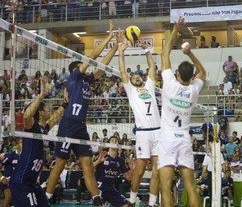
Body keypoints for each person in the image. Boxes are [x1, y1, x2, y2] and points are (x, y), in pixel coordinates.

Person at [46, 21, 117, 206]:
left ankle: (96, 200)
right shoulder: (74, 77)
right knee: (60, 164)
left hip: (81, 127)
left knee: (88, 166)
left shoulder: (87, 81)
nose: (85, 67)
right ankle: (46, 197)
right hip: (68, 124)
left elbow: (101, 66)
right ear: (76, 69)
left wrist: (116, 46)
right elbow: (93, 57)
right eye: (82, 65)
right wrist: (108, 37)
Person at [158, 17, 206, 207]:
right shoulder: (194, 90)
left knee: (166, 187)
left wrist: (175, 30)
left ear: (177, 74)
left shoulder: (169, 84)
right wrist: (190, 53)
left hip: (167, 138)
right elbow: (203, 72)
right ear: (191, 77)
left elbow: (164, 54)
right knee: (190, 187)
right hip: (184, 138)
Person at [9, 76, 66, 207]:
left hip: (33, 183)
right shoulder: (31, 128)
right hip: (22, 182)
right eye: (46, 109)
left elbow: (54, 118)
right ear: (40, 113)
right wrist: (42, 94)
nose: (49, 112)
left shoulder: (43, 130)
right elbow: (26, 116)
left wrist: (65, 103)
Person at [118, 40, 161, 207]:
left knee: (157, 171)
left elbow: (152, 68)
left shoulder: (149, 86)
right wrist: (121, 52)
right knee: (140, 171)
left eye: (137, 76)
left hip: (158, 131)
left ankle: (151, 203)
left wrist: (146, 50)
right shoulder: (131, 90)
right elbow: (122, 71)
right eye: (133, 77)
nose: (135, 77)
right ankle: (132, 200)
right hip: (143, 133)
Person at [93, 136, 135, 207]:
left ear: (119, 145)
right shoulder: (103, 155)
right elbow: (89, 168)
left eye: (116, 140)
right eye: (112, 140)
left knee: (126, 205)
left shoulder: (120, 160)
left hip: (111, 189)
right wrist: (98, 161)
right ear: (108, 144)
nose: (114, 141)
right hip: (99, 189)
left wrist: (132, 169)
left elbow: (129, 178)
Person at [0, 138, 22, 207]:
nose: (24, 145)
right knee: (8, 195)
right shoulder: (10, 155)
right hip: (8, 180)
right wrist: (2, 177)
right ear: (17, 145)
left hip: (19, 181)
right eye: (22, 143)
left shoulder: (25, 156)